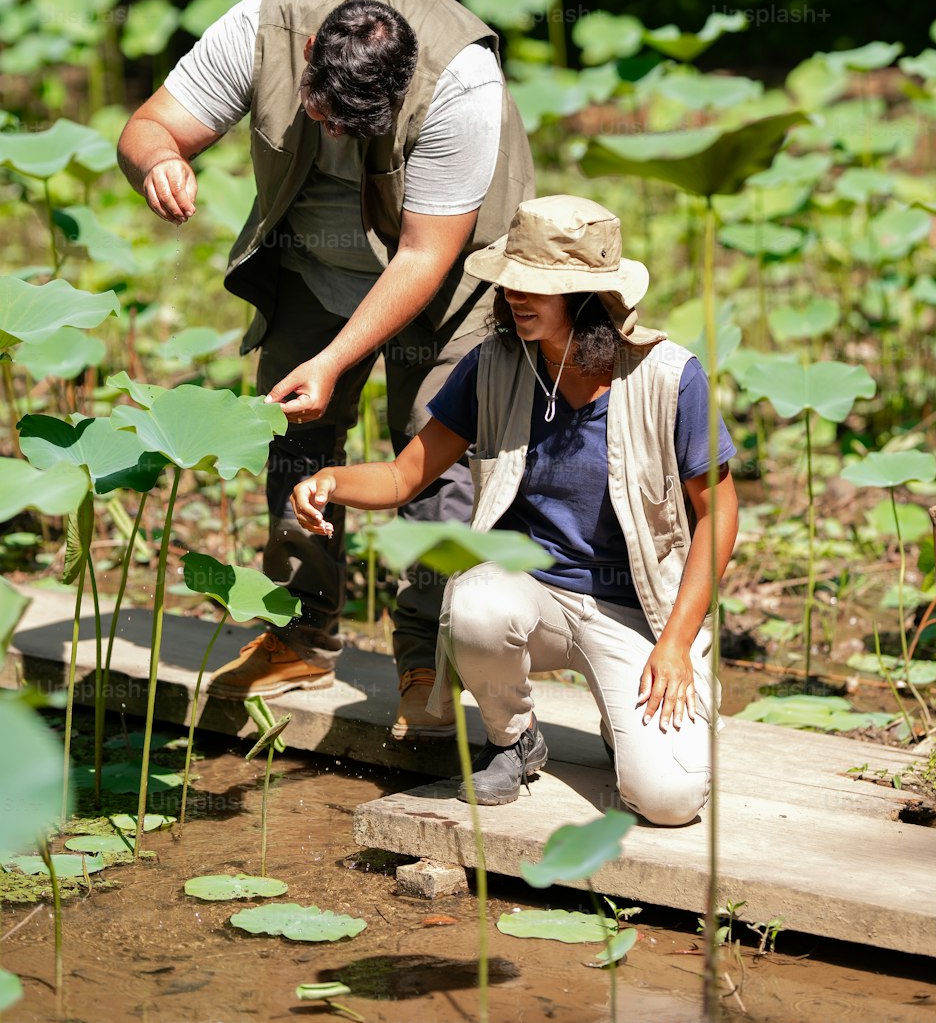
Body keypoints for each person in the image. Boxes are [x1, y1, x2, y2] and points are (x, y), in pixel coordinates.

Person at [117, 0, 534, 739]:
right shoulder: (259, 28)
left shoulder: (462, 82)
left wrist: (337, 358)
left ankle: (425, 655)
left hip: (448, 277)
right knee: (290, 437)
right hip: (314, 258)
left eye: (360, 124)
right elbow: (148, 125)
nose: (338, 135)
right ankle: (301, 633)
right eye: (325, 116)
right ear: (308, 54)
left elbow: (421, 258)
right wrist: (160, 161)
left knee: (433, 452)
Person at [289, 195, 739, 823]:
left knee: (668, 802)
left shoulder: (669, 378)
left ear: (587, 296)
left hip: (640, 614)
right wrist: (328, 481)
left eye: (537, 287)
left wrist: (676, 642)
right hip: (532, 597)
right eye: (510, 282)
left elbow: (718, 516)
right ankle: (515, 739)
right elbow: (403, 476)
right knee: (474, 601)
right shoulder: (495, 365)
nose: (515, 297)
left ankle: (629, 720)